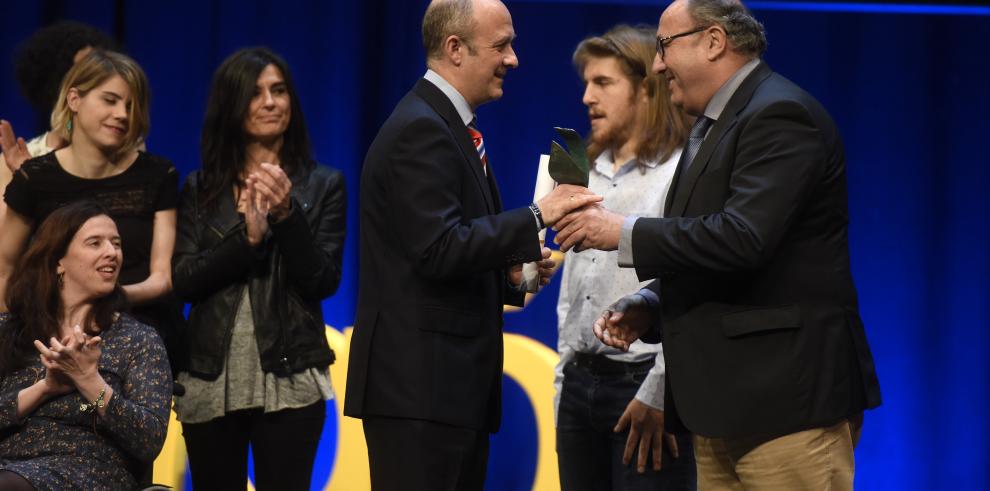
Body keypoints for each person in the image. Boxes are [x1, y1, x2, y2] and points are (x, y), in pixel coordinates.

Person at [555, 1, 882, 489]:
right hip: (722, 410)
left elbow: (744, 238)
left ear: (712, 41)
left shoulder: (780, 114)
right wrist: (652, 302)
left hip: (782, 406)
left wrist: (621, 231)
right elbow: (708, 247)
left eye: (665, 47)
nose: (659, 63)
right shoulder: (711, 126)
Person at [343, 0, 599, 489]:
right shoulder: (422, 129)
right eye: (502, 45)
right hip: (420, 393)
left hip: (445, 393)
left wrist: (506, 274)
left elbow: (436, 251)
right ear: (455, 49)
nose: (514, 59)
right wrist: (537, 216)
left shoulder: (447, 127)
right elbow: (437, 248)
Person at [171, 47, 345, 491]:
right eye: (255, 93)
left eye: (279, 90)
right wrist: (246, 242)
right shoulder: (199, 187)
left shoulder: (323, 184)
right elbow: (185, 281)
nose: (270, 102)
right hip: (211, 376)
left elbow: (322, 279)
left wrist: (286, 216)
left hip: (290, 376)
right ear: (232, 105)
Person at [554, 24, 695, 491]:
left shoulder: (680, 171)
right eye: (586, 84)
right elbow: (572, 290)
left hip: (641, 386)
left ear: (644, 90)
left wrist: (660, 391)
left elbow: (688, 284)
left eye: (603, 83)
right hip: (579, 388)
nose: (587, 98)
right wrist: (563, 381)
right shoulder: (580, 169)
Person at [0, 50, 183, 378]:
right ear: (74, 99)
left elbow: (162, 278)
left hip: (140, 337)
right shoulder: (35, 178)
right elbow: (4, 270)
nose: (122, 114)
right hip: (49, 340)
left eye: (130, 105)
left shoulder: (158, 175)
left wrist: (101, 303)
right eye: (110, 100)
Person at [0, 201, 172, 491]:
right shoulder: (9, 330)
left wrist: (88, 380)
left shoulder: (137, 339)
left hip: (90, 472)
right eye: (95, 243)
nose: (112, 252)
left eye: (116, 244)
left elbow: (148, 440)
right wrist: (44, 389)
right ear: (58, 260)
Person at [1, 21, 118, 187]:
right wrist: (29, 185)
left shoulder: (124, 150)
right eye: (84, 72)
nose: (98, 81)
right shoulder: (21, 158)